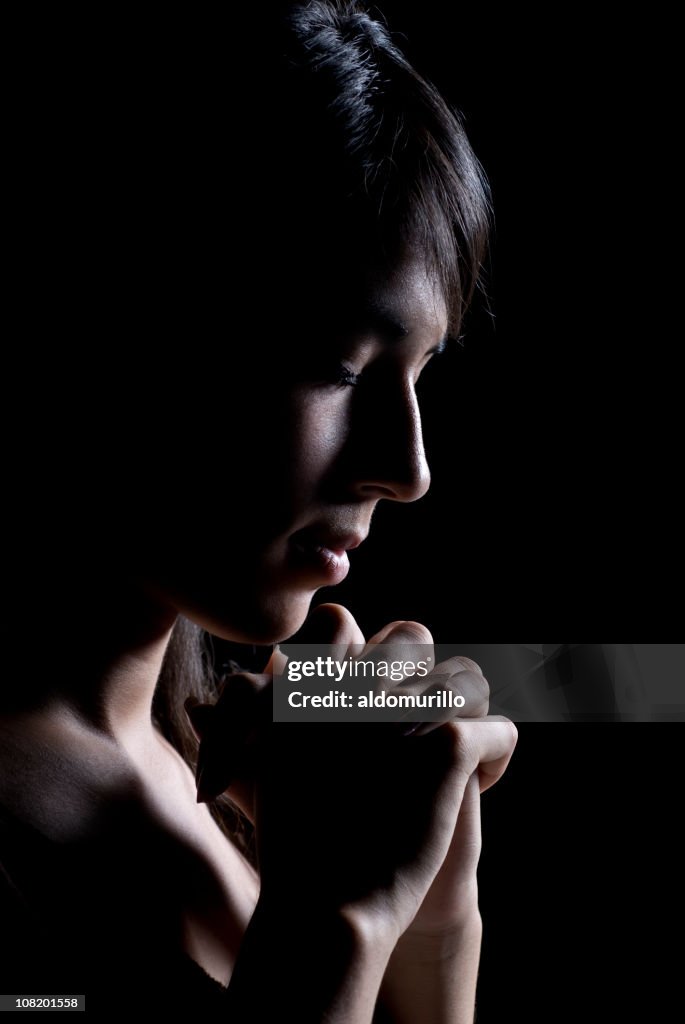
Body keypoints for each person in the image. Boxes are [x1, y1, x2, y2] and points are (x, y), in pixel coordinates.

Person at [0, 2, 517, 1019]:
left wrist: (431, 918)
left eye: (418, 371)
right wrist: (333, 922)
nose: (406, 467)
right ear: (126, 325)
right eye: (336, 365)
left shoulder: (242, 777)